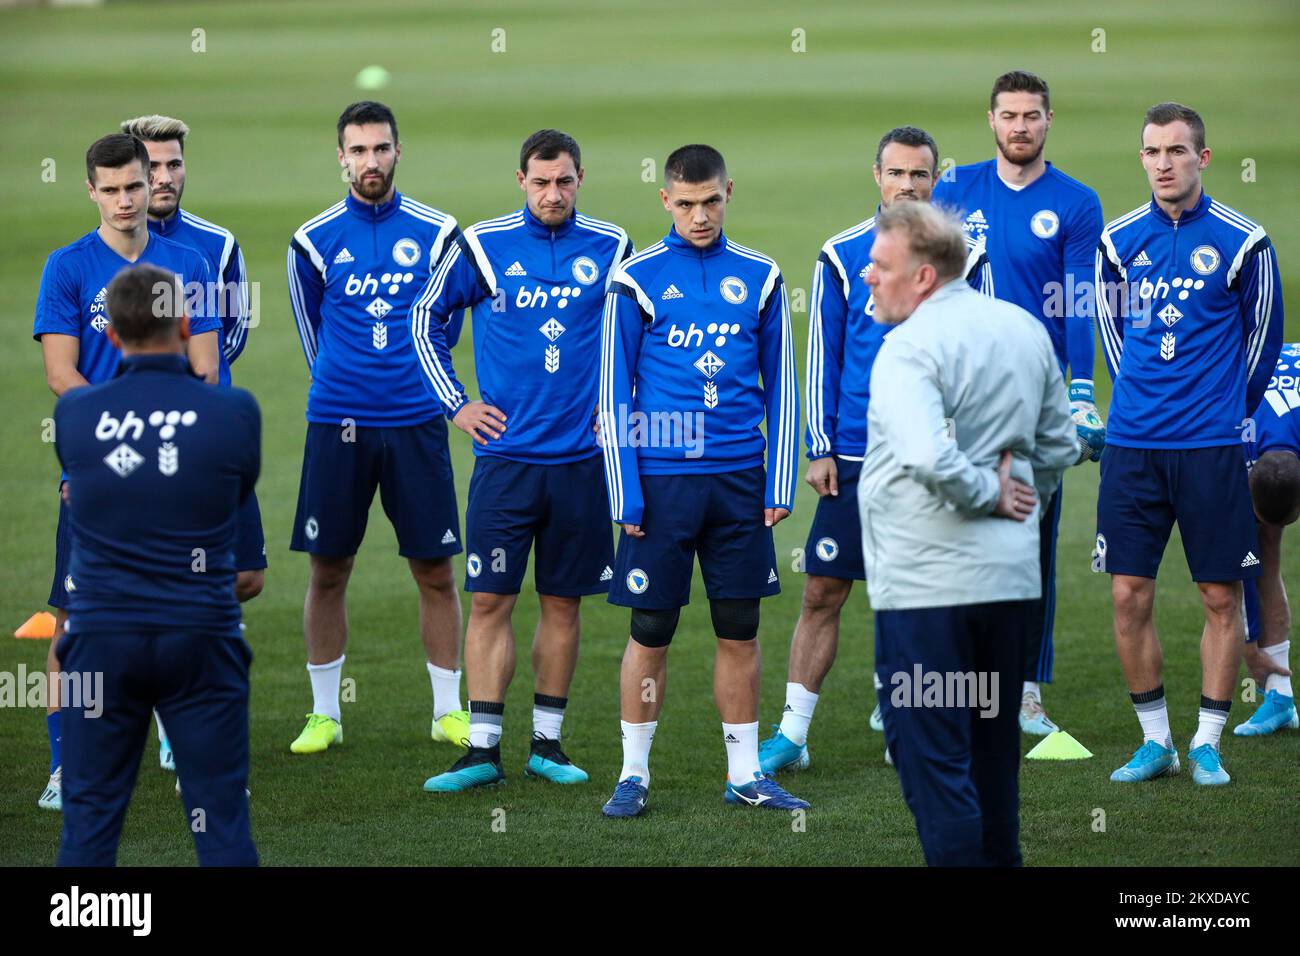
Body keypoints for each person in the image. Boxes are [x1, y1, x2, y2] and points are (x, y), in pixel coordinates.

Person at [760, 125, 993, 774]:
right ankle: (793, 734)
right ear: (877, 177)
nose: (908, 184)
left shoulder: (967, 259)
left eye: (920, 174)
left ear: (936, 179)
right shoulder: (841, 256)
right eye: (897, 173)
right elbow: (823, 355)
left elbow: (987, 350)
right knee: (823, 590)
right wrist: (820, 445)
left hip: (934, 456)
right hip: (857, 456)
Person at [411, 129, 632, 791]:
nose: (552, 194)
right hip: (505, 464)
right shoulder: (482, 245)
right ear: (521, 182)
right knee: (489, 603)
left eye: (564, 181)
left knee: (564, 606)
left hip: (582, 464)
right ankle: (482, 749)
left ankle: (547, 743)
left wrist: (620, 410)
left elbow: (634, 337)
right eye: (540, 182)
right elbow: (425, 318)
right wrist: (457, 405)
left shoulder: (612, 245)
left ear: (580, 179)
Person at [859, 201, 1076, 866]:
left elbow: (926, 456)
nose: (868, 275)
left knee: (931, 756)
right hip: (1009, 589)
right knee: (992, 756)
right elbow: (1061, 444)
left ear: (923, 276)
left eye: (881, 264)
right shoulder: (1022, 328)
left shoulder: (909, 347)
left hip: (928, 595)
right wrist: (1019, 502)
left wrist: (987, 493)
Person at [597, 144, 805, 818]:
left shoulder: (763, 276)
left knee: (739, 628)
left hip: (739, 482)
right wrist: (625, 491)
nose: (699, 214)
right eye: (685, 203)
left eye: (710, 200)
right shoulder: (636, 279)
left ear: (728, 193)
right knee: (651, 627)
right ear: (665, 201)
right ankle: (633, 775)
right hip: (661, 485)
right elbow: (613, 395)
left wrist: (780, 483)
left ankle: (745, 774)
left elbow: (784, 389)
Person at [1095, 102, 1283, 785]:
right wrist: (1142, 407)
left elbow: (1261, 346)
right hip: (1134, 448)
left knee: (1218, 596)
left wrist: (1223, 412)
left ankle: (1206, 740)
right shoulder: (1118, 242)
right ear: (1142, 158)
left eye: (1177, 151)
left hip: (1210, 449)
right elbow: (1114, 343)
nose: (1165, 163)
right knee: (1127, 595)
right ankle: (1155, 742)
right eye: (1153, 152)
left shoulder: (1243, 241)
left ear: (1202, 158)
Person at [33, 132, 221, 812]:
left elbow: (204, 369)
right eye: (109, 189)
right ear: (91, 191)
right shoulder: (68, 267)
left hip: (171, 473)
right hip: (99, 475)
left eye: (134, 186)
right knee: (73, 622)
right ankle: (66, 765)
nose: (123, 200)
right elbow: (62, 373)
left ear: (152, 184)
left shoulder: (189, 262)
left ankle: (184, 744)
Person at [54, 263, 260, 866]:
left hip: (100, 640)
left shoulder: (75, 415)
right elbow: (234, 488)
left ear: (112, 335)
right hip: (201, 635)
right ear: (185, 321)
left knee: (89, 824)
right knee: (220, 819)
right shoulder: (235, 413)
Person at [285, 101, 467, 754]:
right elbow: (314, 339)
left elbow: (447, 326)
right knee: (328, 570)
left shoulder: (441, 232)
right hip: (338, 424)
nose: (370, 161)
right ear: (340, 158)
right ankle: (325, 714)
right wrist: (349, 386)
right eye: (358, 150)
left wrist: (411, 382)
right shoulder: (312, 240)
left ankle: (448, 710)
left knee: (436, 571)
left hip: (417, 422)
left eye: (381, 148)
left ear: (398, 151)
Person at [932, 70, 1105, 735]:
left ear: (1048, 121)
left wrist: (1082, 392)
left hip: (1037, 398)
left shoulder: (1075, 202)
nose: (1020, 127)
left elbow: (1080, 300)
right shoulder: (955, 188)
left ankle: (1026, 693)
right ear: (991, 119)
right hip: (964, 392)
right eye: (1009, 115)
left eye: (1032, 115)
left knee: (1031, 543)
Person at [121, 112, 265, 774]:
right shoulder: (107, 252)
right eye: (151, 166)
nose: (164, 176)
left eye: (174, 163)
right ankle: (175, 717)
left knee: (240, 576)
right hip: (130, 443)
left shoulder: (215, 244)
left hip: (206, 439)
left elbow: (231, 331)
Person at [1235, 344, 1300, 736]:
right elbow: (1243, 559)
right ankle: (1279, 697)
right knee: (1263, 555)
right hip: (1254, 401)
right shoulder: (1238, 435)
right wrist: (1249, 643)